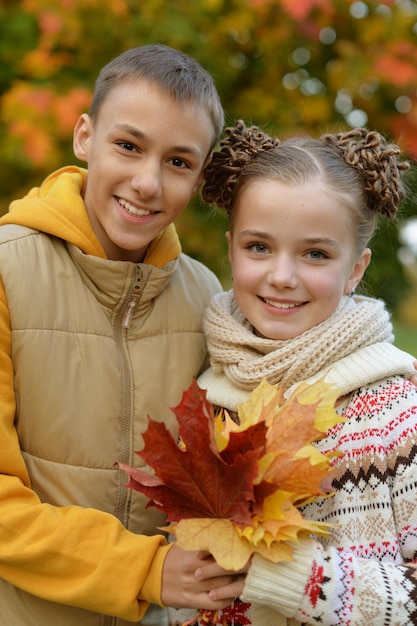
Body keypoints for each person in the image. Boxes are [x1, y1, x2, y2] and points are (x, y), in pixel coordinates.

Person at [0, 44, 244, 626]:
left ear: (200, 175)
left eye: (179, 162)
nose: (147, 183)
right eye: (128, 146)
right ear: (85, 137)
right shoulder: (7, 272)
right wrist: (146, 570)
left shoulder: (206, 296)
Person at [190, 120, 417, 625]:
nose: (282, 276)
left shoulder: (396, 414)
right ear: (231, 248)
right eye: (259, 247)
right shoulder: (202, 398)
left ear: (355, 268)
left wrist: (282, 572)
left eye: (315, 253)